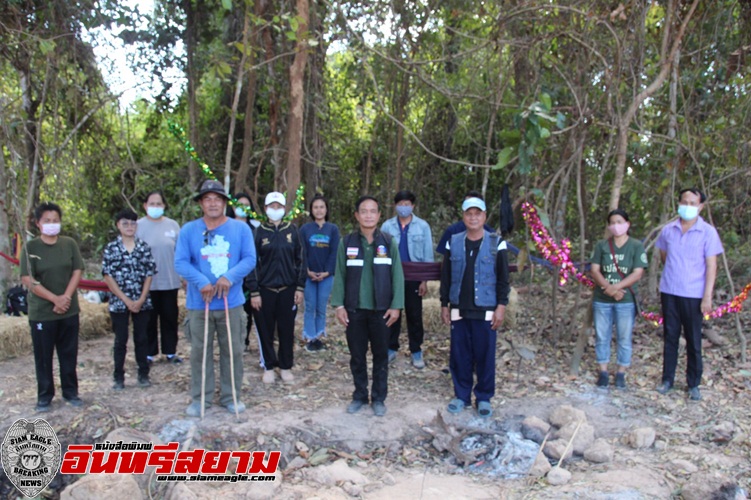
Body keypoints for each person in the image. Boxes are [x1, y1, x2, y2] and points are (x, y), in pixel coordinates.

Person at [174, 180, 256, 416]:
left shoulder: (240, 229)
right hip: (200, 304)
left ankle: (232, 397)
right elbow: (180, 261)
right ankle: (201, 398)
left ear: (224, 203)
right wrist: (201, 281)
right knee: (201, 351)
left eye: (217, 199)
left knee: (233, 350)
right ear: (201, 203)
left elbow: (249, 259)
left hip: (232, 302)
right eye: (207, 199)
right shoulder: (189, 230)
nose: (212, 203)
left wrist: (229, 277)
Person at [331, 196, 404, 417]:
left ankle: (379, 398)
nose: (369, 215)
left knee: (381, 355)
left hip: (382, 311)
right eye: (364, 211)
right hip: (354, 310)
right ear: (357, 215)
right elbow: (340, 275)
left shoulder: (388, 242)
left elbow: (397, 275)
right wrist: (339, 305)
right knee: (357, 355)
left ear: (379, 215)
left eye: (373, 211)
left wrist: (396, 306)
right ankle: (360, 395)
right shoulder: (347, 242)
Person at [440, 195, 510, 419]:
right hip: (459, 307)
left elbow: (503, 278)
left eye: (477, 214)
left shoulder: (495, 242)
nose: (473, 217)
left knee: (485, 355)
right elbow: (446, 276)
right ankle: (461, 396)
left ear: (484, 216)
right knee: (460, 354)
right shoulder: (454, 241)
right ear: (463, 217)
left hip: (486, 309)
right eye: (469, 214)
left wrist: (501, 306)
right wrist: (444, 304)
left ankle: (483, 397)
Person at [655, 188, 723, 401]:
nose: (688, 206)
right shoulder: (668, 230)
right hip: (670, 291)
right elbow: (664, 255)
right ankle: (667, 380)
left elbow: (711, 266)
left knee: (694, 339)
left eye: (693, 203)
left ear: (701, 206)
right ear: (678, 203)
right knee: (671, 337)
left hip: (694, 294)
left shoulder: (708, 232)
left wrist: (707, 296)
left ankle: (693, 383)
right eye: (684, 202)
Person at [20, 202, 85, 412]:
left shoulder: (69, 244)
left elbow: (77, 271)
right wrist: (54, 299)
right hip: (42, 312)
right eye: (46, 221)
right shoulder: (30, 247)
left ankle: (71, 392)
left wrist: (65, 297)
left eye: (55, 220)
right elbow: (28, 279)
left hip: (69, 309)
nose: (51, 224)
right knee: (43, 355)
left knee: (68, 353)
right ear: (38, 224)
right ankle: (45, 396)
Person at [247, 191, 305, 384]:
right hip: (265, 290)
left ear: (284, 208)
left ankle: (286, 366)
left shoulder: (293, 231)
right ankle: (269, 366)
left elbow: (301, 260)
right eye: (272, 206)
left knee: (287, 329)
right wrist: (254, 291)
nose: (275, 210)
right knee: (265, 329)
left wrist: (300, 287)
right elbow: (252, 263)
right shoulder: (258, 232)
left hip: (288, 289)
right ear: (265, 209)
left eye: (278, 206)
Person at [588, 209, 647, 389]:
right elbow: (595, 270)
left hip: (625, 300)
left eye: (620, 222)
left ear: (627, 224)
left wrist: (617, 288)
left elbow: (638, 273)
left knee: (624, 337)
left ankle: (621, 372)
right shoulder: (602, 246)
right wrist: (609, 288)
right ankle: (603, 371)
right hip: (602, 299)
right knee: (602, 336)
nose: (616, 226)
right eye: (612, 223)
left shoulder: (636, 246)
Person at [102, 209, 157, 390]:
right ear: (118, 225)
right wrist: (125, 299)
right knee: (121, 340)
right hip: (119, 303)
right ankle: (118, 377)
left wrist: (141, 298)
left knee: (142, 338)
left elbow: (149, 274)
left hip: (142, 301)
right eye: (125, 223)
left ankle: (143, 374)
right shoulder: (111, 248)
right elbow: (108, 276)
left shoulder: (143, 247)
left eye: (133, 223)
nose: (129, 227)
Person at [381, 190, 434, 368]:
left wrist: (424, 280)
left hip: (414, 276)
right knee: (391, 313)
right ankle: (390, 348)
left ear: (413, 206)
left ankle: (416, 351)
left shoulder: (422, 226)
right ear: (395, 206)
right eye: (400, 204)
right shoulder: (387, 226)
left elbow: (427, 253)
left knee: (414, 315)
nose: (404, 207)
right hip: (392, 276)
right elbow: (380, 252)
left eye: (407, 204)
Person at [136, 190, 182, 364]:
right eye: (152, 204)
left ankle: (170, 351)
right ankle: (149, 353)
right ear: (145, 206)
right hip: (147, 283)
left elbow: (180, 252)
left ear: (164, 206)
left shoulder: (173, 225)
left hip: (170, 280)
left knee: (170, 317)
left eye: (159, 204)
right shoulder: (138, 226)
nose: (155, 207)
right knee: (149, 319)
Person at [299, 194, 340, 352]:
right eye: (315, 207)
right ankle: (310, 337)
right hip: (309, 275)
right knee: (310, 306)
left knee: (321, 307)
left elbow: (335, 252)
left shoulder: (333, 229)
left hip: (326, 276)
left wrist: (328, 272)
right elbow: (302, 251)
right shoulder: (305, 229)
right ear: (311, 210)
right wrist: (307, 270)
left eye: (322, 207)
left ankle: (319, 336)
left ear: (326, 209)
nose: (319, 210)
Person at [227, 192, 266, 351]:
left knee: (249, 310)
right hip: (230, 276)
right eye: (239, 204)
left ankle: (244, 340)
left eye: (246, 205)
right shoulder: (225, 225)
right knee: (232, 310)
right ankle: (231, 341)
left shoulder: (256, 227)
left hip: (252, 275)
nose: (243, 208)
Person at [435, 190, 494, 257]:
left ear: (484, 214)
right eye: (469, 211)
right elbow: (444, 260)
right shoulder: (452, 231)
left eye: (477, 213)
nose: (473, 217)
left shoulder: (492, 236)